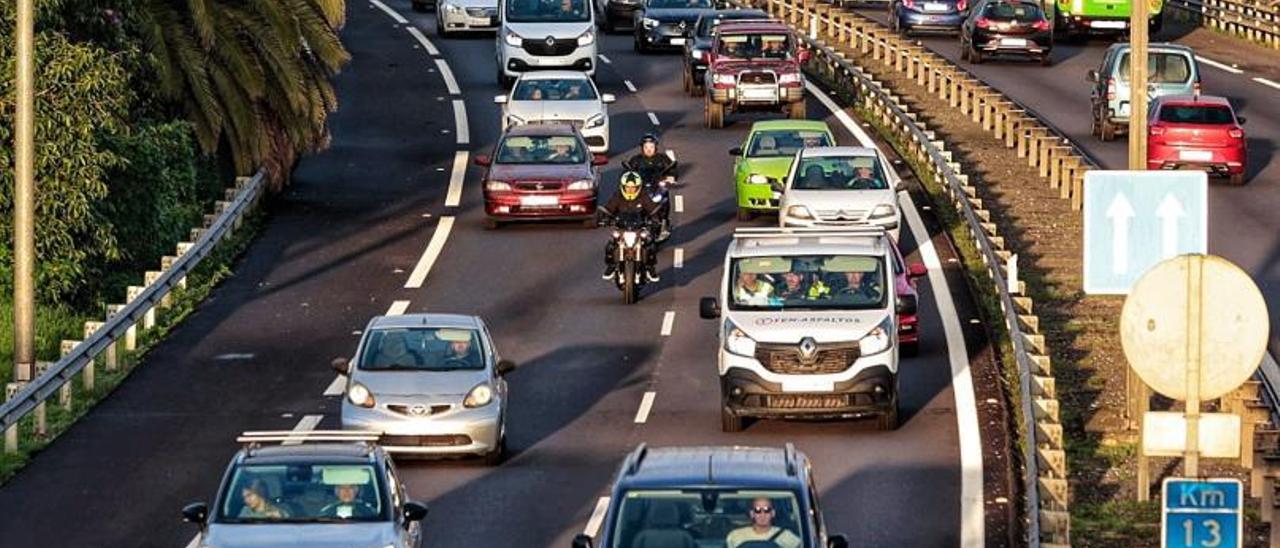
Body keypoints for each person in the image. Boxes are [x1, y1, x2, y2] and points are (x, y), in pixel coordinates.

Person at [599, 171, 662, 282]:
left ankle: (650, 268)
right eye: (628, 187)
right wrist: (604, 218)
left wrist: (655, 219)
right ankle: (611, 266)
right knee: (610, 246)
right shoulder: (618, 196)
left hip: (639, 227)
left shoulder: (643, 195)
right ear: (623, 186)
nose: (630, 190)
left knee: (650, 246)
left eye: (633, 187)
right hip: (622, 227)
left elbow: (653, 209)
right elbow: (609, 209)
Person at [725, 498, 802, 548]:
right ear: (752, 514)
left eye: (767, 510)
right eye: (758, 510)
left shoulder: (787, 536)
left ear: (773, 513)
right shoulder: (735, 535)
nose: (762, 514)